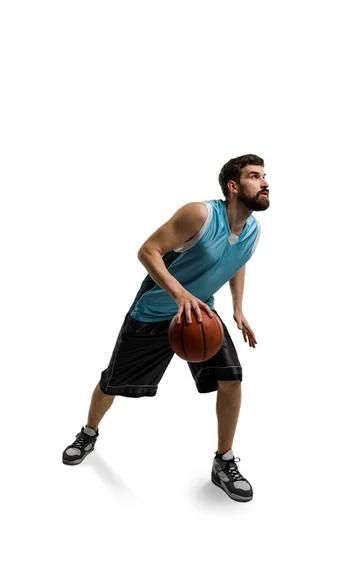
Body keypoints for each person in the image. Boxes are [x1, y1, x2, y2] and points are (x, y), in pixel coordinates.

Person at [62, 154, 270, 502]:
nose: (264, 182)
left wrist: (237, 308)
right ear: (234, 187)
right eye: (254, 176)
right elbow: (148, 251)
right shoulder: (200, 215)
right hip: (154, 313)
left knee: (231, 378)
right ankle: (88, 432)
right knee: (112, 383)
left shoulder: (253, 230)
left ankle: (224, 461)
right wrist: (179, 295)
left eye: (265, 176)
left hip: (202, 315)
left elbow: (238, 262)